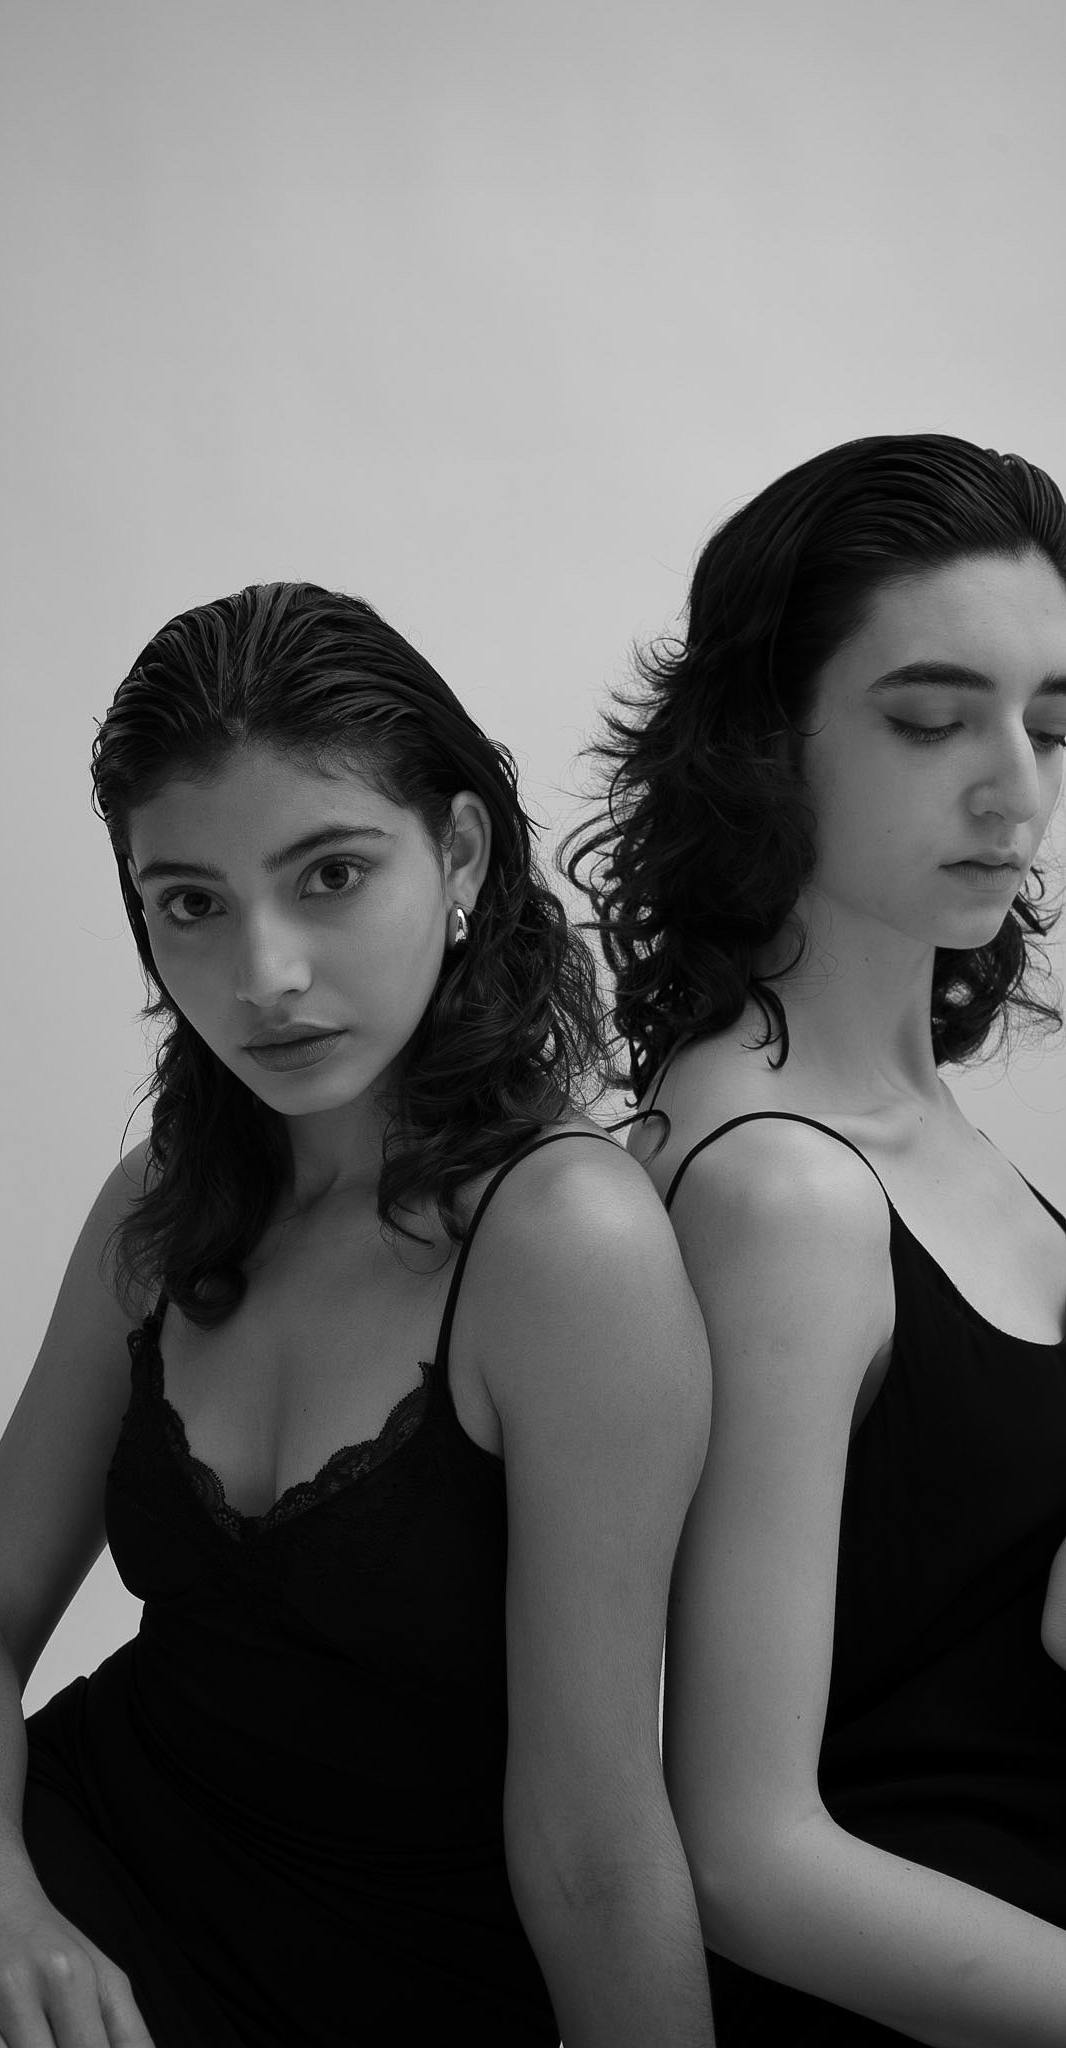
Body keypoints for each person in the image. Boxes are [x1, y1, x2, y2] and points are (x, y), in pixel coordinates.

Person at [0, 581, 714, 2048]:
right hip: (65, 1890)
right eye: (192, 904)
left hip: (393, 1983)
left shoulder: (563, 1244)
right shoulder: (165, 1203)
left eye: (331, 875)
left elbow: (594, 1844)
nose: (264, 976)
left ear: (459, 853)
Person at [566, 434, 1066, 2045]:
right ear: (761, 743)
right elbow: (743, 1857)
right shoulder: (780, 1193)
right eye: (929, 721)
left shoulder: (930, 1139)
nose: (1015, 790)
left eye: (1050, 726)